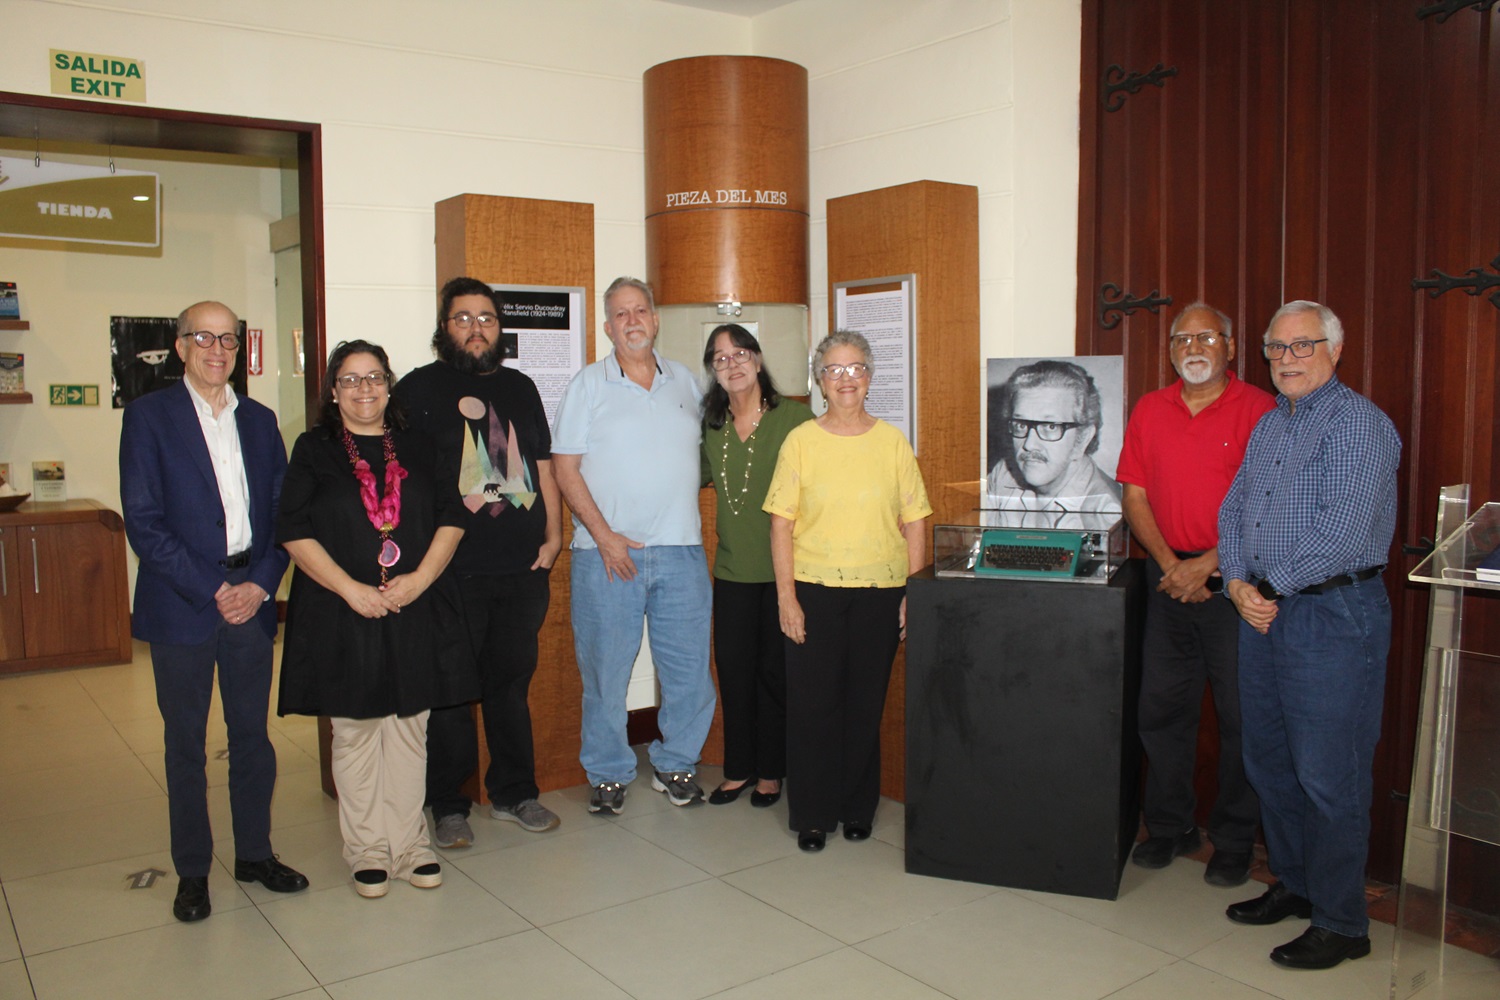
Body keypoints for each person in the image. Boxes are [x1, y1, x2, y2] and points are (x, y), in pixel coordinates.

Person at [1218, 300, 1401, 970]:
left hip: (1332, 616)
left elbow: (1344, 533)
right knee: (1269, 762)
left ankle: (1343, 921)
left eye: (1303, 345)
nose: (1287, 358)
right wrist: (1236, 582)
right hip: (1262, 613)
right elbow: (1234, 509)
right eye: (1276, 347)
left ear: (1335, 350)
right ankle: (1296, 885)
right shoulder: (1272, 424)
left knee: (1329, 775)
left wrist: (1266, 589)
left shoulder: (1360, 425)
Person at [119, 300, 308, 922]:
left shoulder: (259, 419)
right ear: (180, 346)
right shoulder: (149, 417)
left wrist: (260, 584)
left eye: (228, 339)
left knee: (252, 738)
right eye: (204, 337)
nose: (217, 349)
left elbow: (283, 514)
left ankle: (254, 854)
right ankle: (193, 872)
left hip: (251, 598)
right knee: (186, 746)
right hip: (183, 604)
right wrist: (213, 588)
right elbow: (144, 523)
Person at [277, 340, 475, 897]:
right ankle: (367, 849)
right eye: (350, 379)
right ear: (332, 392)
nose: (364, 389)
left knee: (410, 728)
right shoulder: (313, 449)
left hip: (414, 605)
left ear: (389, 385)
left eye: (374, 377)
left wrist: (420, 579)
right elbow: (292, 529)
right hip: (342, 608)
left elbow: (453, 515)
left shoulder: (421, 444)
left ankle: (410, 845)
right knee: (356, 731)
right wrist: (351, 590)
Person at [395, 278, 563, 849]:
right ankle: (448, 805)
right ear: (444, 327)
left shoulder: (521, 387)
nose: (476, 328)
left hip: (521, 568)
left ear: (499, 328)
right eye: (463, 318)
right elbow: (401, 479)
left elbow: (543, 464)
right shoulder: (417, 389)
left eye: (486, 318)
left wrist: (555, 533)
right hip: (449, 573)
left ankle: (516, 793)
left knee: (510, 685)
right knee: (450, 692)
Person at [1116, 303, 1275, 887]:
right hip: (1166, 583)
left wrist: (1209, 565)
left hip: (1236, 586)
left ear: (1231, 346)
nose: (1193, 347)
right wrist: (1172, 567)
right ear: (1170, 351)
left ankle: (1233, 841)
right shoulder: (1150, 409)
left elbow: (1267, 505)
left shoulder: (1261, 410)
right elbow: (1134, 496)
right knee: (1161, 711)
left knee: (1240, 720)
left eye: (1206, 337)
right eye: (1182, 339)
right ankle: (1170, 827)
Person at [551, 276, 715, 814]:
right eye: (620, 314)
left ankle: (677, 763)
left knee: (688, 671)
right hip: (606, 556)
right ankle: (607, 773)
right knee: (605, 672)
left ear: (655, 319)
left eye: (639, 310)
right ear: (607, 327)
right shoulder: (587, 386)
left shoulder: (686, 382)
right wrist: (606, 538)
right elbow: (564, 469)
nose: (632, 321)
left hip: (682, 552)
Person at [764, 330, 932, 852]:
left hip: (880, 593)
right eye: (833, 370)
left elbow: (916, 521)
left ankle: (858, 807)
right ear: (819, 380)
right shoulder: (801, 441)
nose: (845, 379)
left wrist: (914, 593)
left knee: (864, 706)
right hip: (814, 592)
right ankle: (813, 814)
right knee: (813, 708)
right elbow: (781, 524)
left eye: (855, 368)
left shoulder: (893, 443)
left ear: (869, 377)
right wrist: (786, 597)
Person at [700, 324, 813, 808]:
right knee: (734, 673)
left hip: (785, 574)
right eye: (721, 358)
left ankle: (770, 773)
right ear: (713, 370)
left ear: (759, 359)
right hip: (732, 572)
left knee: (774, 676)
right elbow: (688, 475)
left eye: (741, 353)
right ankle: (738, 769)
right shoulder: (711, 425)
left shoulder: (795, 418)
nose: (733, 364)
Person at [986, 359, 1121, 513]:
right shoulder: (1003, 475)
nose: (1029, 444)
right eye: (1021, 425)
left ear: (1082, 438)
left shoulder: (1105, 512)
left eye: (1050, 426)